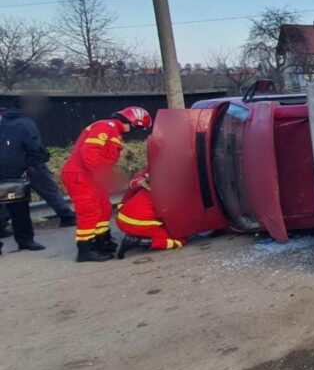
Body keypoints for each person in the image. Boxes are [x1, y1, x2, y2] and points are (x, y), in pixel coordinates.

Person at [60, 106, 152, 263]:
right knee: (89, 212)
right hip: (80, 175)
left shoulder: (113, 131)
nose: (134, 131)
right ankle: (85, 249)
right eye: (136, 128)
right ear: (131, 122)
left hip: (90, 175)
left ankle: (102, 241)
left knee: (104, 208)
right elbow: (90, 152)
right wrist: (101, 174)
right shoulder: (105, 127)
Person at [0, 96, 76, 233]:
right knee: (49, 190)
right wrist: (37, 161)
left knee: (10, 194)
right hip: (31, 164)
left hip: (12, 167)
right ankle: (67, 216)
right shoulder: (24, 123)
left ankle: (2, 224)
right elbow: (34, 145)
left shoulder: (6, 121)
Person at [0, 111, 48, 254]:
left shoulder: (17, 130)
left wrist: (29, 166)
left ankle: (26, 241)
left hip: (14, 177)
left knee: (20, 212)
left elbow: (35, 151)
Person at [115, 171, 186, 259]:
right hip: (139, 224)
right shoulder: (176, 187)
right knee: (180, 240)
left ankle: (139, 235)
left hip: (121, 219)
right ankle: (138, 241)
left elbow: (132, 185)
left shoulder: (152, 173)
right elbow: (174, 218)